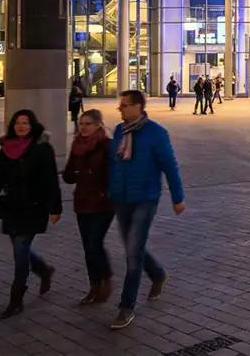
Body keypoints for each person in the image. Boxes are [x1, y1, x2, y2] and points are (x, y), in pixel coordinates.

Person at [107, 90, 186, 330]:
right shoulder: (120, 131)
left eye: (124, 105)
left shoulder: (156, 133)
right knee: (133, 246)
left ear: (138, 107)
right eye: (120, 105)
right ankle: (158, 273)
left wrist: (177, 197)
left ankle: (126, 307)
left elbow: (170, 166)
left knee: (133, 253)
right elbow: (114, 162)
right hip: (121, 197)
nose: (120, 109)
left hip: (145, 198)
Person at [0, 109, 62, 319]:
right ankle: (43, 269)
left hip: (33, 207)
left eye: (25, 122)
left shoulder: (42, 148)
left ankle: (16, 299)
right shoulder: (6, 148)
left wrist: (55, 209)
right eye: (17, 123)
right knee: (20, 247)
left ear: (33, 125)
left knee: (20, 251)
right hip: (12, 206)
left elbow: (51, 180)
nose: (21, 126)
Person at [63, 108, 114, 306]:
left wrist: (106, 191)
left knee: (94, 243)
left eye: (88, 124)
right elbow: (69, 175)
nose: (83, 127)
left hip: (103, 203)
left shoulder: (107, 146)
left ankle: (106, 279)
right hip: (83, 202)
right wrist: (71, 173)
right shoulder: (77, 145)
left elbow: (112, 174)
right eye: (81, 124)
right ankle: (93, 284)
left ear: (98, 125)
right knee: (87, 246)